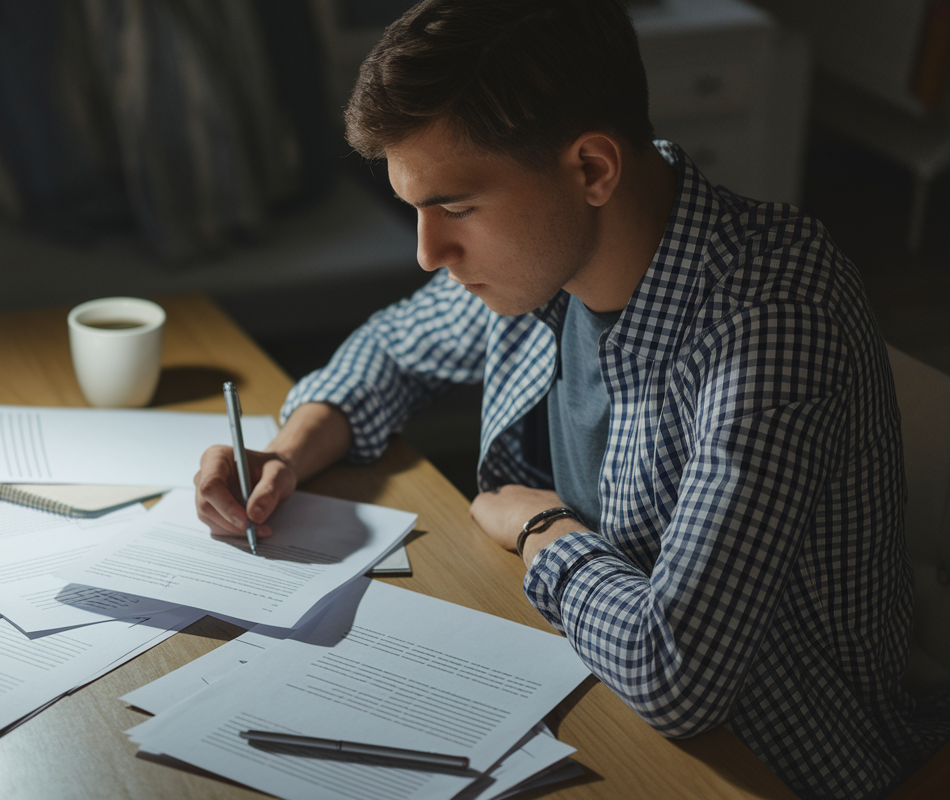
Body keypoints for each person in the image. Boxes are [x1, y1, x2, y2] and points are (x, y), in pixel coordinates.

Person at [193, 1, 950, 797]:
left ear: (592, 169)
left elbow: (675, 671)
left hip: (767, 763)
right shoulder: (553, 259)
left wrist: (539, 526)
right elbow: (392, 348)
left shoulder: (772, 318)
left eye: (452, 208)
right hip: (585, 691)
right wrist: (285, 451)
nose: (427, 253)